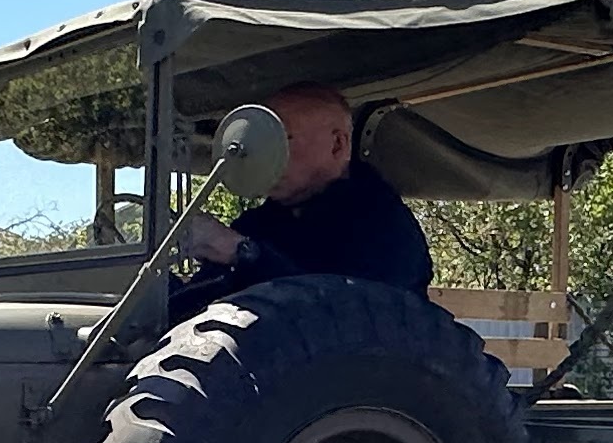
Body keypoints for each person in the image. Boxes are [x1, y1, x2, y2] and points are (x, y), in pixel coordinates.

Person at [173, 83, 432, 302]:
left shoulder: (383, 225)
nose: (261, 154)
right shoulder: (258, 224)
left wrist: (240, 253)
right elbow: (194, 307)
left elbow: (342, 316)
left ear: (337, 145)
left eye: (281, 138)